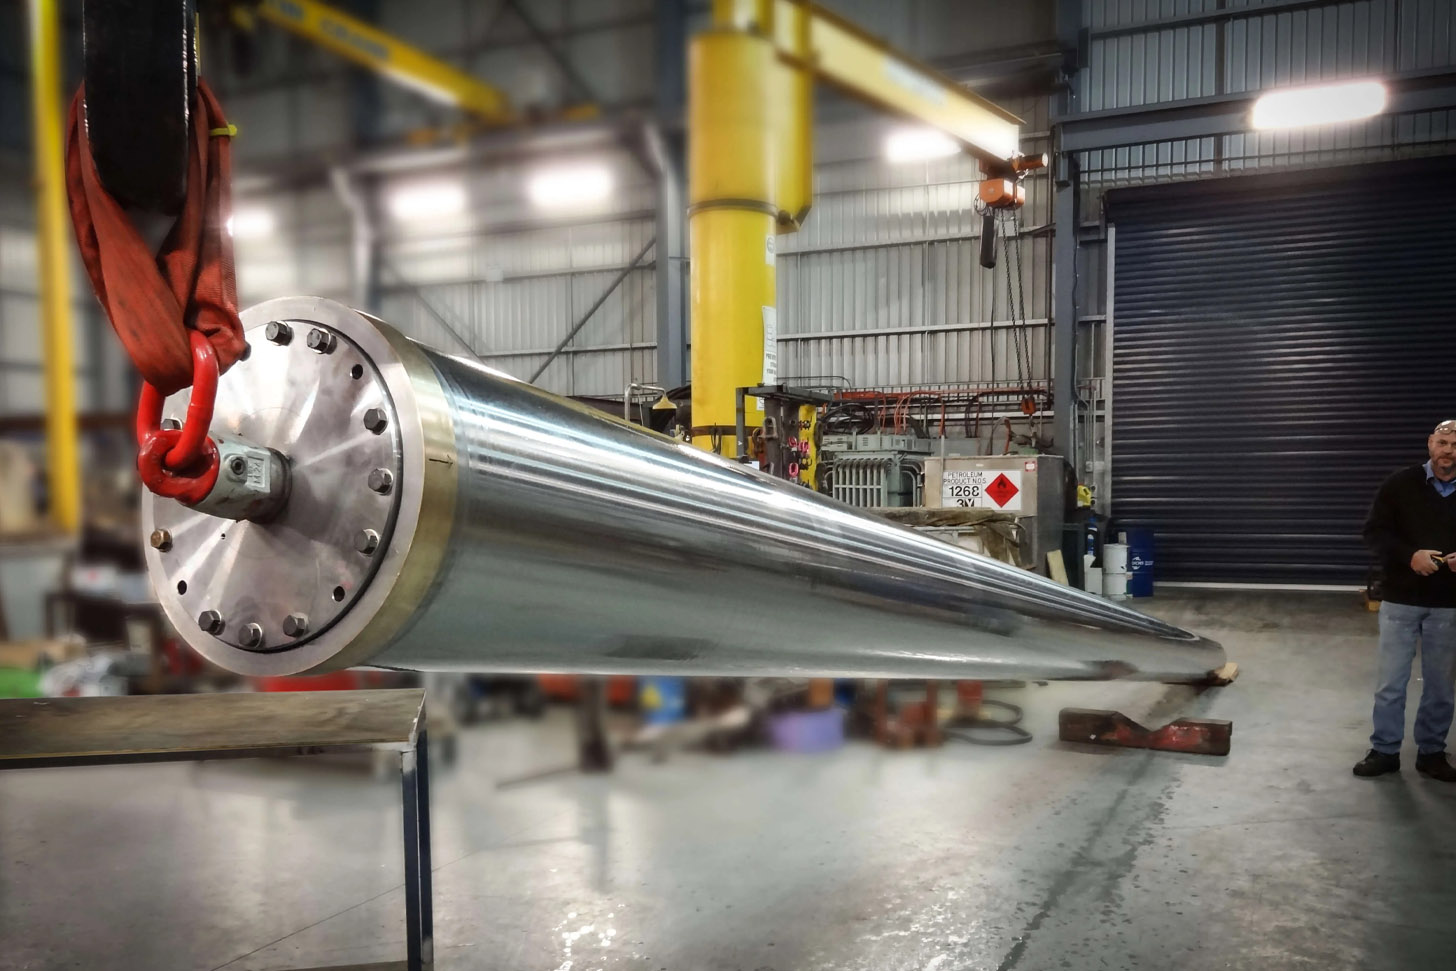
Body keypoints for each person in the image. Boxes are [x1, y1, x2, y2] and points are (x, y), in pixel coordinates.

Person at [1354, 419, 1456, 780]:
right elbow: (1374, 532)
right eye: (1443, 443)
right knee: (1391, 683)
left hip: (1449, 604)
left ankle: (1431, 753)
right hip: (1401, 600)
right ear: (1430, 444)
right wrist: (1410, 555)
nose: (1449, 451)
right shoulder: (1400, 484)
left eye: (1455, 445)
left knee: (1441, 687)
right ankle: (1385, 751)